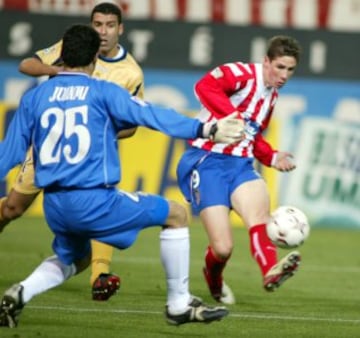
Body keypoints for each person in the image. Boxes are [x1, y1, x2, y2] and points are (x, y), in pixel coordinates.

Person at [0, 24, 247, 328]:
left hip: (54, 205)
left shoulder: (34, 99)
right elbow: (151, 114)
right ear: (94, 58)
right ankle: (178, 304)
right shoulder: (103, 91)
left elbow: (8, 155)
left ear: (62, 56)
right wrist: (206, 129)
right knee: (176, 214)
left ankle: (20, 292)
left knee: (75, 257)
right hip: (93, 200)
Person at [1, 2, 144, 301]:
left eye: (109, 25)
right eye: (97, 24)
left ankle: (99, 275)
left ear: (120, 29)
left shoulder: (130, 73)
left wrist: (102, 131)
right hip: (49, 151)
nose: (102, 32)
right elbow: (26, 65)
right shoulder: (73, 48)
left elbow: (132, 124)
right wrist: (58, 69)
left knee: (101, 208)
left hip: (91, 160)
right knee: (12, 208)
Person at [177, 35, 302, 305]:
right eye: (279, 67)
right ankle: (214, 278)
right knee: (222, 248)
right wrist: (231, 116)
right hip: (207, 162)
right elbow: (205, 86)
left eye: (290, 70)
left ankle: (270, 271)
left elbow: (252, 136)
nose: (284, 75)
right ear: (266, 61)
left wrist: (271, 156)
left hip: (241, 165)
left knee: (259, 218)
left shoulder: (271, 97)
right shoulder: (242, 74)